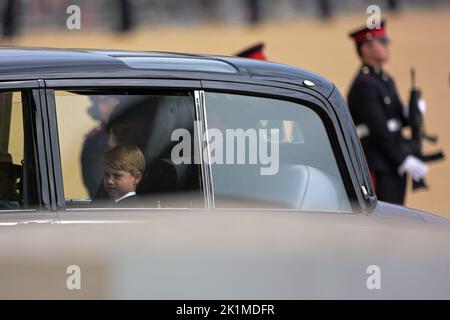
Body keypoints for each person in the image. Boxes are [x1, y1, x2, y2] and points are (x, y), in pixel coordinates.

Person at [347, 20, 428, 205]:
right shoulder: (364, 84)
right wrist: (402, 159)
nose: (386, 46)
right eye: (381, 42)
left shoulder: (385, 79)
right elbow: (378, 130)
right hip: (379, 163)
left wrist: (413, 113)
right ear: (366, 48)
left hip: (393, 160)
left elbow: (398, 119)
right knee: (385, 218)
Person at [81, 95, 120, 198]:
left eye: (106, 102)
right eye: (99, 103)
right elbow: (98, 189)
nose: (101, 108)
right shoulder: (95, 142)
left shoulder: (137, 133)